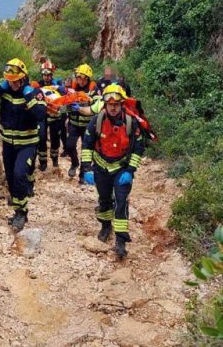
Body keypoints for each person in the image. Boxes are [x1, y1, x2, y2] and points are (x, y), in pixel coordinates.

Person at [80, 84, 144, 259]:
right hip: (101, 168)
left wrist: (130, 171)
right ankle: (105, 225)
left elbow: (139, 148)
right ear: (105, 105)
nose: (113, 107)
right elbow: (86, 145)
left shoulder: (131, 123)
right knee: (105, 199)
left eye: (116, 104)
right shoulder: (96, 121)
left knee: (121, 201)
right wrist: (87, 168)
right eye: (110, 104)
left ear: (122, 104)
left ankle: (121, 240)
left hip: (121, 169)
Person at [0, 58, 47, 231]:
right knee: (11, 179)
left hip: (27, 144)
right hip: (9, 144)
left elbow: (41, 114)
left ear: (23, 77)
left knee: (20, 175)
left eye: (15, 80)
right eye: (9, 81)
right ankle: (17, 205)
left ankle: (21, 213)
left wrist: (29, 96)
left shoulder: (33, 92)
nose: (12, 84)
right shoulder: (4, 92)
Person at [65, 64, 99, 183]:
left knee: (86, 150)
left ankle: (82, 175)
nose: (79, 80)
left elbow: (96, 106)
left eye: (82, 78)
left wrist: (81, 106)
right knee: (68, 146)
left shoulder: (93, 90)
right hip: (74, 124)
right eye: (78, 77)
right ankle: (74, 163)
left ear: (87, 78)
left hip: (88, 125)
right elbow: (65, 101)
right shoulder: (72, 89)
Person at [30, 60, 67, 170]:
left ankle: (54, 158)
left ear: (52, 74)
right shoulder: (37, 85)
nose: (46, 77)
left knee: (55, 138)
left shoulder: (58, 85)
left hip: (55, 115)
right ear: (42, 74)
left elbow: (66, 93)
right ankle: (43, 162)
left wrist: (58, 88)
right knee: (41, 137)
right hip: (42, 115)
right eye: (44, 74)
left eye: (48, 74)